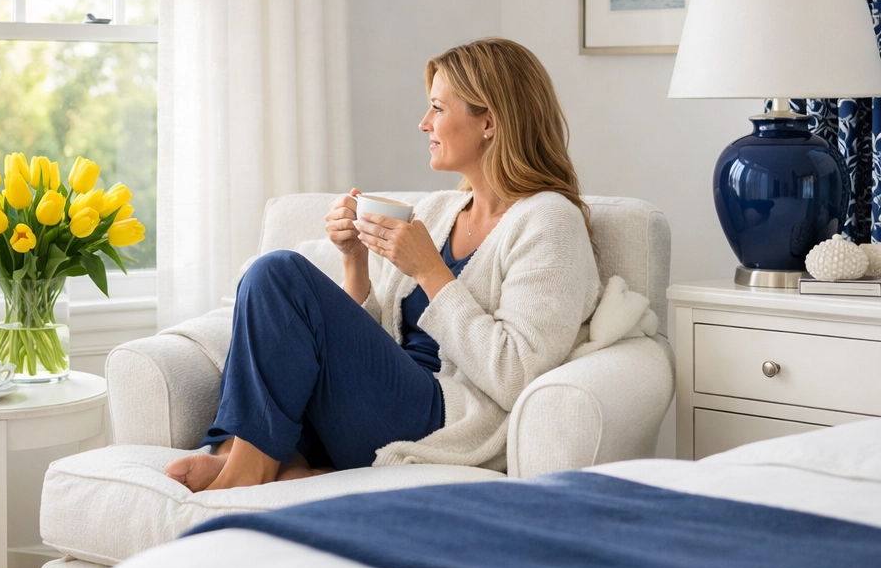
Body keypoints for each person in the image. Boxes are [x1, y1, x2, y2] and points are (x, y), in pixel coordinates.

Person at [166, 38, 600, 492]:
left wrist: (431, 272)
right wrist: (354, 260)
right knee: (270, 287)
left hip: (441, 418)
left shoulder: (549, 220)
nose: (423, 123)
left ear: (488, 122)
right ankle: (250, 456)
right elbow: (375, 341)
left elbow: (517, 374)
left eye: (437, 108)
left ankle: (244, 471)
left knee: (278, 273)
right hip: (380, 403)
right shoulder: (439, 211)